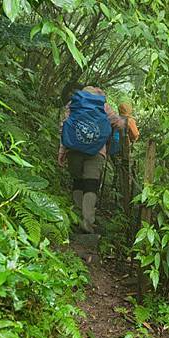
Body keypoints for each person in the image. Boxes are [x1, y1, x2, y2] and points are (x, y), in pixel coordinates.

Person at [58, 85, 125, 233]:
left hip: (74, 149)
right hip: (97, 151)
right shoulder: (103, 106)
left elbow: (64, 128)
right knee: (91, 184)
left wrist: (62, 151)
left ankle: (76, 216)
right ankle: (87, 222)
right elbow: (119, 124)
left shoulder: (73, 104)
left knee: (78, 181)